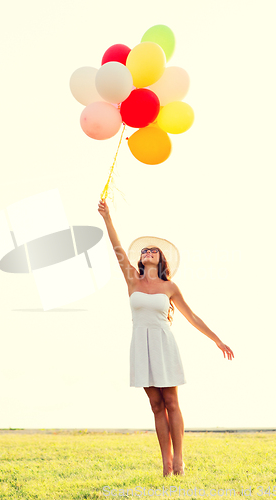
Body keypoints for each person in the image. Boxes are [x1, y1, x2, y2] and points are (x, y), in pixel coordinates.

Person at [98, 198, 234, 477]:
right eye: (144, 250)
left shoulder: (170, 286)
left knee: (171, 402)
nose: (148, 252)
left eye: (153, 251)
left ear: (161, 260)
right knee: (156, 405)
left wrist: (217, 339)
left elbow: (192, 317)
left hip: (163, 344)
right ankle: (166, 464)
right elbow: (116, 248)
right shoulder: (132, 280)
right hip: (140, 345)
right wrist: (107, 217)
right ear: (140, 259)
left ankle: (179, 461)